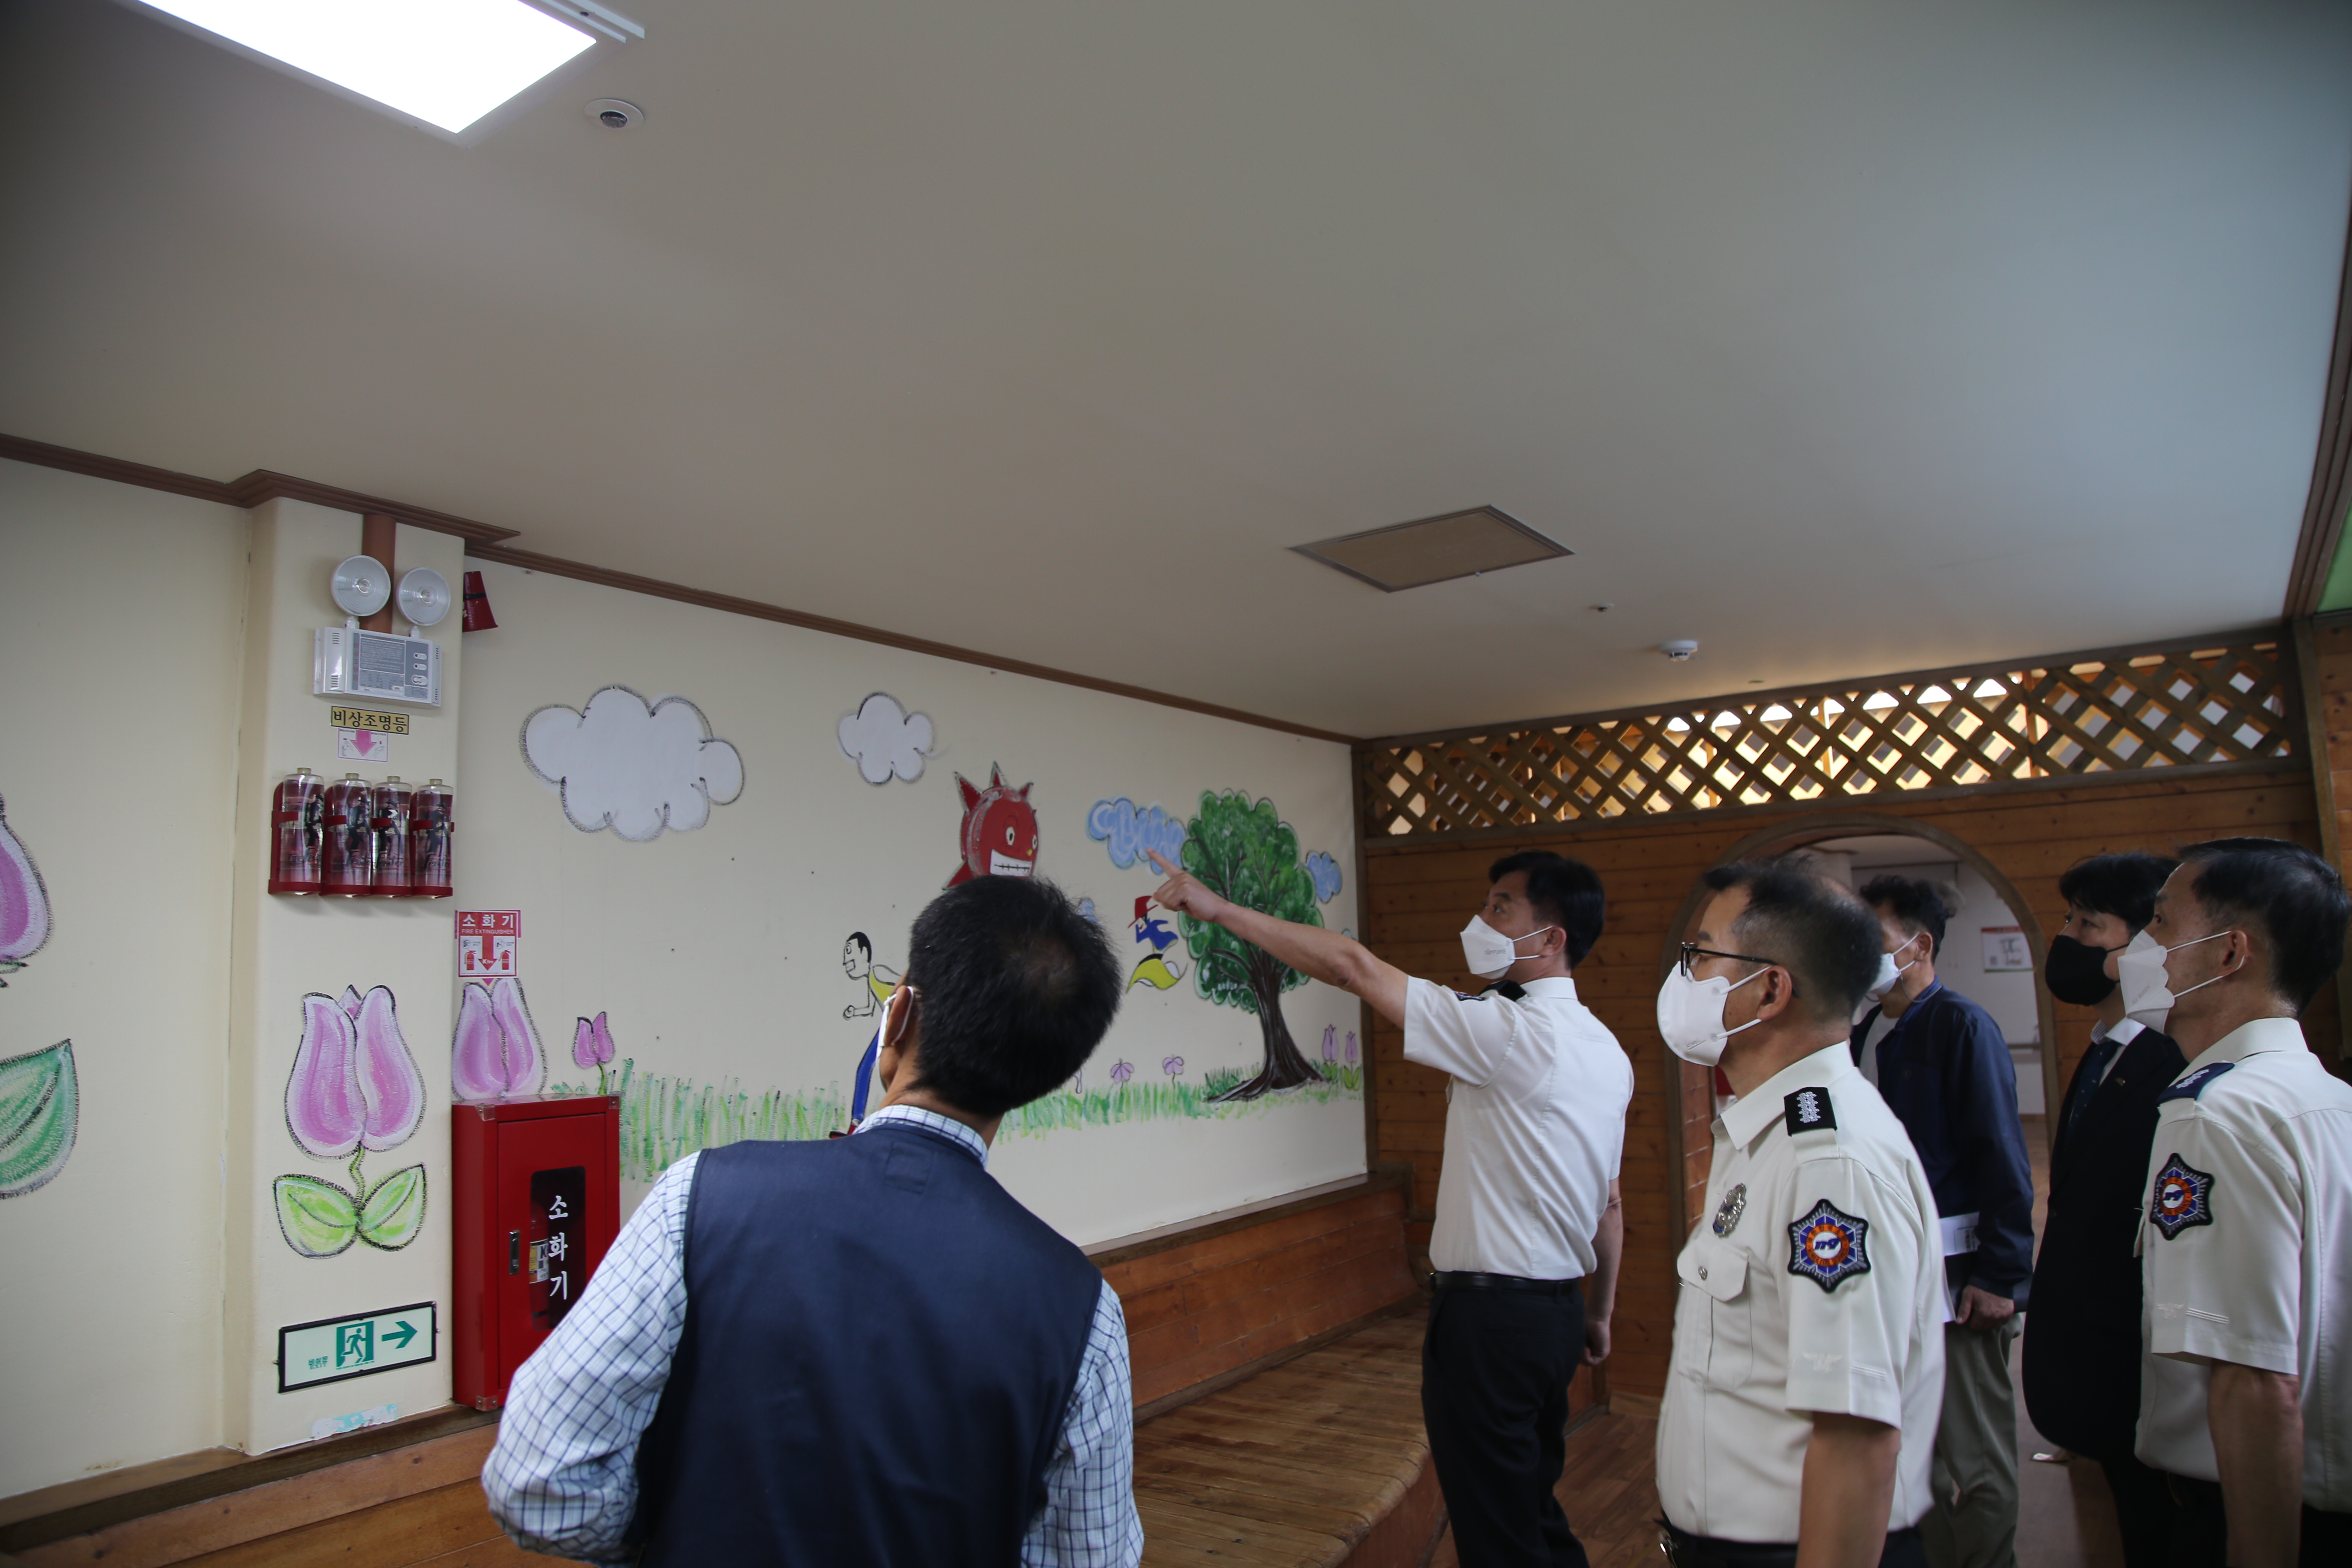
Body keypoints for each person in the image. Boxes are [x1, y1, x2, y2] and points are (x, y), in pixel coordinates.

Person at [482, 876, 1142, 1568]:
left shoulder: (698, 1198)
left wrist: (663, 1533)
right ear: (1045, 1076)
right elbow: (1091, 1558)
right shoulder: (1082, 1311)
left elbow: (538, 1483)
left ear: (899, 1016)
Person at [1149, 846, 1629, 1568]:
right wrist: (1598, 1313)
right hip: (1557, 1314)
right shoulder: (1608, 1051)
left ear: (1552, 937)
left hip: (1492, 1324)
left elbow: (1352, 967)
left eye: (1501, 907)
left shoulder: (1509, 1032)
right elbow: (1611, 1205)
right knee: (1532, 1510)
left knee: (1498, 1535)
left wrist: (1219, 911)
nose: (1482, 919)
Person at [1655, 861, 1945, 1568]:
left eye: (1700, 954)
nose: (1683, 976)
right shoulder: (1769, 1132)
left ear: (1770, 989)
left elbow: (1857, 1439)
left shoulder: (1829, 1166)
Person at [2118, 837, 2352, 1567]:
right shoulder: (2327, 1096)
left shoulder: (2215, 1113)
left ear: (2228, 953)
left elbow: (2252, 1377)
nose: (2138, 949)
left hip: (2263, 1513)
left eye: (2160, 922)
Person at [1851, 874, 2034, 1568]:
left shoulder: (1962, 1026)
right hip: (1889, 1274)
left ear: (1920, 946)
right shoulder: (1865, 1030)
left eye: (1873, 939)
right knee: (1911, 1455)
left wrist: (2001, 1276)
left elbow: (2001, 1156)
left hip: (1960, 1282)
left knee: (1975, 1460)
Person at [2019, 853, 2185, 1568]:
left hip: (2145, 1369)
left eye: (2089, 924)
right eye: (2069, 920)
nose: (2069, 938)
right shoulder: (2104, 1051)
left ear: (2147, 944)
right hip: (2102, 1364)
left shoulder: (2172, 1060)